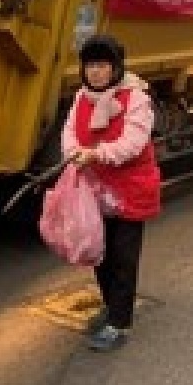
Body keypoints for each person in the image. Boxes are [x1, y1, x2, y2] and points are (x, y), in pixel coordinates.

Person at [61, 34, 161, 352]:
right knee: (99, 254)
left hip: (131, 191)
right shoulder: (81, 98)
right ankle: (110, 307)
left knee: (123, 259)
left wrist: (95, 154)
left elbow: (133, 143)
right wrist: (75, 152)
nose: (96, 72)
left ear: (116, 68)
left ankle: (119, 323)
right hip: (96, 192)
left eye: (102, 65)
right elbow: (69, 134)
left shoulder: (137, 99)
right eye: (90, 65)